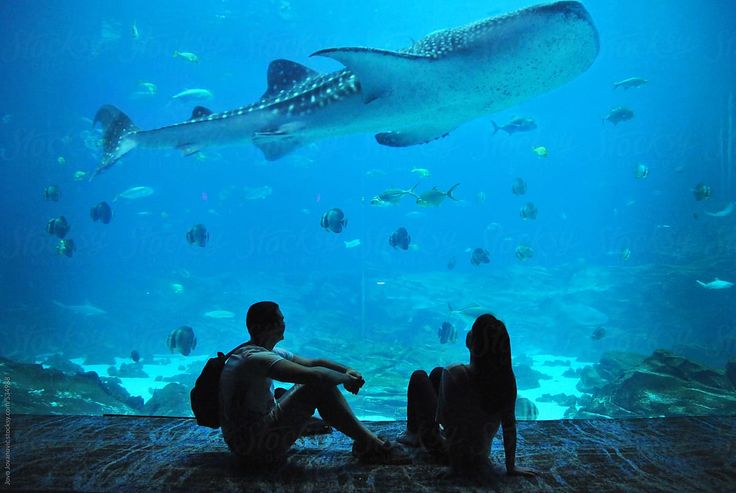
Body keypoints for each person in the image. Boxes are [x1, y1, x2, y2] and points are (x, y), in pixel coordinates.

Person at [219, 301, 409, 466]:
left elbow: (313, 362)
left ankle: (348, 434)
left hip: (249, 438)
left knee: (288, 390)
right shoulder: (255, 358)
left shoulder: (259, 352)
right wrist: (346, 380)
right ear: (268, 326)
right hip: (252, 448)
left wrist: (346, 370)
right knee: (316, 386)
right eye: (281, 319)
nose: (284, 323)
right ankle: (372, 446)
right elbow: (315, 375)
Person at [398, 313, 536, 479]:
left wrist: (455, 467)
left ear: (472, 342)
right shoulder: (506, 380)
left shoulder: (455, 373)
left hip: (450, 452)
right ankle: (421, 435)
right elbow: (509, 426)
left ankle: (413, 433)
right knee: (437, 373)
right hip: (480, 456)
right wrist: (511, 466)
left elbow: (448, 424)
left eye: (472, 330)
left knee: (419, 376)